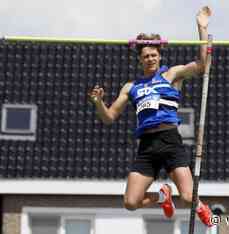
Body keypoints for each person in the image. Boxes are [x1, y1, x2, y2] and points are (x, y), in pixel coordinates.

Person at [88, 6, 213, 227]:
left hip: (170, 141)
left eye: (153, 55)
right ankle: (162, 196)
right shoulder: (131, 86)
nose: (150, 59)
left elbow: (203, 66)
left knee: (187, 198)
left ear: (159, 55)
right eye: (145, 56)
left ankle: (202, 207)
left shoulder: (171, 75)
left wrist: (201, 28)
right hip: (147, 146)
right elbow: (109, 117)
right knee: (131, 202)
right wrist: (98, 103)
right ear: (140, 60)